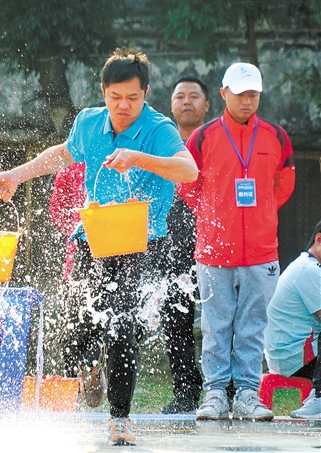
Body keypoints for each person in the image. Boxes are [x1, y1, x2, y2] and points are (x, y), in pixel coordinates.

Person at [0, 47, 198, 445]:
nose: (124, 106)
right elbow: (63, 155)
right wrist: (16, 175)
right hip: (94, 237)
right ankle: (90, 371)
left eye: (133, 98)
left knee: (122, 325)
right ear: (103, 91)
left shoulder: (159, 129)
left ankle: (120, 418)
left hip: (142, 241)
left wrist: (139, 157)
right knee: (79, 327)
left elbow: (188, 169)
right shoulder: (89, 122)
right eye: (115, 97)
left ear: (146, 93)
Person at [178, 62, 296, 421]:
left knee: (252, 325)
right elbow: (186, 185)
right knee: (216, 325)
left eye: (254, 94)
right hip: (214, 250)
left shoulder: (276, 135)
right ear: (224, 93)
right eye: (241, 93)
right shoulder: (202, 137)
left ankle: (247, 393)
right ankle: (214, 394)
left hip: (261, 251)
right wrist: (217, 211)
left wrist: (260, 213)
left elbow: (284, 184)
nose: (247, 100)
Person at [160, 76, 210, 414]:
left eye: (195, 96)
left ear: (208, 105)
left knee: (221, 320)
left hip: (214, 242)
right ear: (172, 105)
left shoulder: (216, 139)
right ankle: (186, 392)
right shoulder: (160, 141)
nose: (187, 102)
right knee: (174, 318)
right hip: (169, 244)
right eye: (180, 96)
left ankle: (225, 389)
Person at [264, 220, 321, 419]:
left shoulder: (307, 266)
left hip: (289, 354)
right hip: (294, 358)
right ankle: (320, 398)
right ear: (319, 239)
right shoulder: (309, 270)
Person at [49, 161, 86, 378]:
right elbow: (58, 212)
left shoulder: (71, 167)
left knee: (73, 323)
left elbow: (58, 213)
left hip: (76, 258)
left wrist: (74, 227)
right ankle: (88, 365)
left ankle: (74, 378)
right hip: (99, 254)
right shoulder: (71, 168)